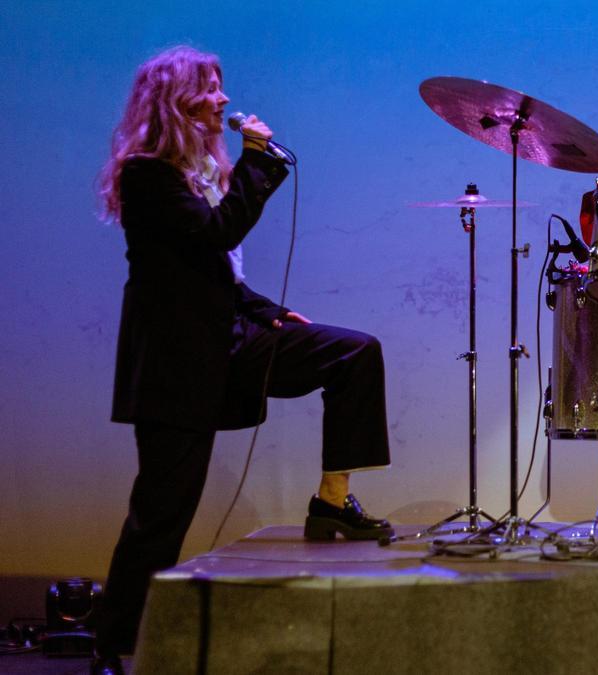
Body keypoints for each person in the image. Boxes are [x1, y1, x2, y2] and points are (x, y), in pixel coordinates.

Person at [92, 46, 392, 674]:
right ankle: (114, 642)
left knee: (353, 352)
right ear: (177, 100)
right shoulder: (147, 174)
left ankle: (333, 502)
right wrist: (256, 163)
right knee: (162, 511)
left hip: (230, 339)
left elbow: (216, 273)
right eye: (211, 88)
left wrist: (270, 313)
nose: (225, 100)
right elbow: (214, 237)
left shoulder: (195, 170)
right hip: (178, 365)